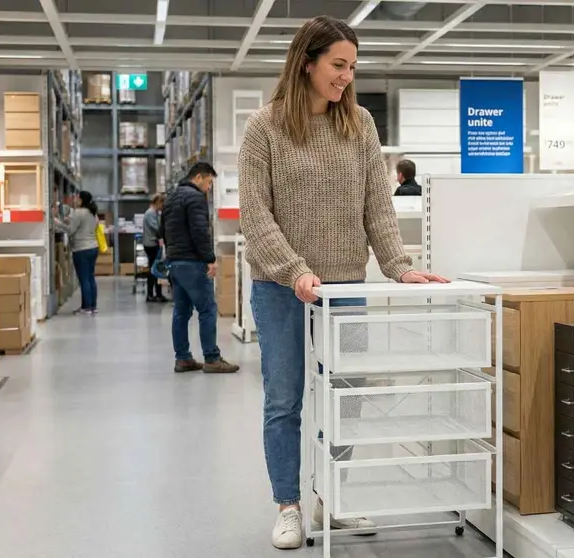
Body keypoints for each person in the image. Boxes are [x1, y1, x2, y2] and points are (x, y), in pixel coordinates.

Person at [238, 15, 447, 551]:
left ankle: (333, 498)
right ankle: (288, 505)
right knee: (284, 399)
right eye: (338, 65)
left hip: (346, 283)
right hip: (280, 285)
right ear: (306, 63)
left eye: (352, 67)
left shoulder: (360, 125)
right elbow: (256, 216)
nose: (346, 78)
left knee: (347, 395)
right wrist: (294, 270)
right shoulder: (265, 127)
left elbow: (377, 205)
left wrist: (398, 263)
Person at [160, 162, 240, 375]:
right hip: (193, 262)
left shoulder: (171, 197)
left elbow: (163, 230)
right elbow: (199, 231)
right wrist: (210, 259)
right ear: (198, 178)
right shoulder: (195, 197)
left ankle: (183, 358)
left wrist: (171, 255)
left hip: (175, 262)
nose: (209, 188)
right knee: (207, 309)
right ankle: (212, 358)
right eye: (209, 182)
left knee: (181, 311)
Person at [54, 190, 100, 316]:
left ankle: (86, 308)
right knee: (90, 277)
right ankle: (92, 306)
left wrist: (59, 223)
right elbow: (91, 226)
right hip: (93, 247)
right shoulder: (92, 213)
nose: (74, 199)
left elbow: (71, 231)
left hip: (81, 249)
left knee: (83, 279)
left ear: (81, 200)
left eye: (76, 197)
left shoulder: (78, 212)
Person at [142, 193, 168, 303]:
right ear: (158, 202)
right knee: (155, 270)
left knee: (156, 269)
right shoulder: (150, 213)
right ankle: (151, 294)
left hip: (153, 243)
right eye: (162, 204)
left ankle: (157, 294)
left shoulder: (155, 213)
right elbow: (156, 228)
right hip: (151, 244)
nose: (163, 206)